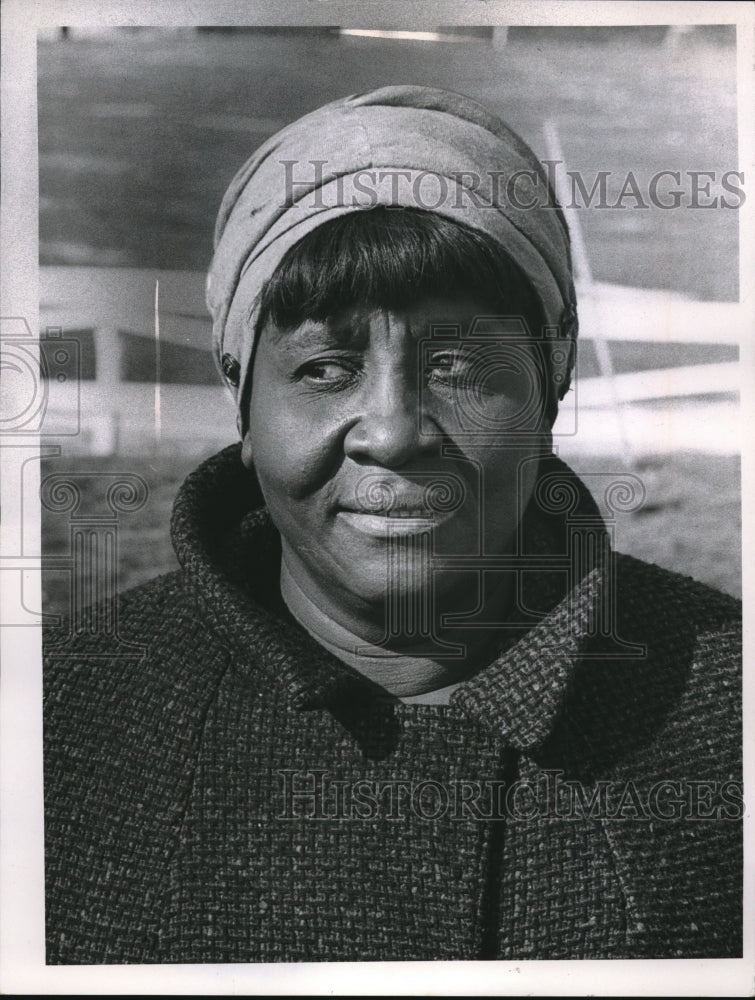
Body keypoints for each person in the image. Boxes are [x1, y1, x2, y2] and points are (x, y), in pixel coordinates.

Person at [43, 86, 742, 963]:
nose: (393, 433)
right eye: (327, 368)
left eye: (456, 365)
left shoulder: (726, 714)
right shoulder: (52, 725)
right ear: (243, 405)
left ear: (549, 389)